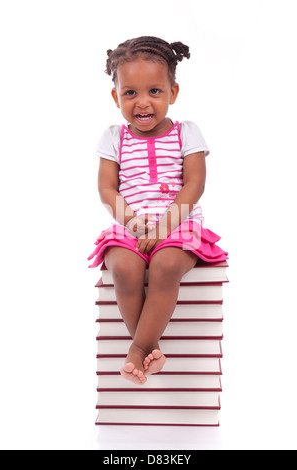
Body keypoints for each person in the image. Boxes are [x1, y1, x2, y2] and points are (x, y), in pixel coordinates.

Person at [88, 36, 228, 385]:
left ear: (173, 93)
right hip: (130, 224)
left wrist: (165, 227)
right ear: (115, 97)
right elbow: (107, 188)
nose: (143, 103)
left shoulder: (187, 133)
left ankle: (137, 351)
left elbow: (194, 184)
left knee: (166, 265)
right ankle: (150, 349)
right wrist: (134, 223)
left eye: (155, 91)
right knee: (122, 268)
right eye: (130, 93)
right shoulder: (113, 137)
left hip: (177, 223)